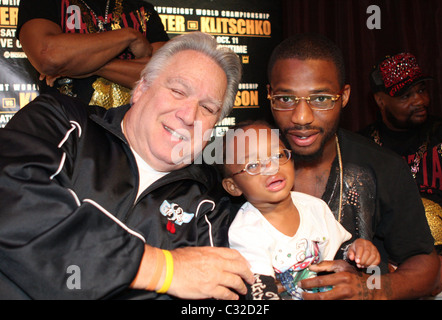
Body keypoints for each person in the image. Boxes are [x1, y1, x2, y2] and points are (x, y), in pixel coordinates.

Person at [0, 32, 254, 300]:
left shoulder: (210, 201)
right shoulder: (65, 122)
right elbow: (14, 202)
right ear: (142, 89)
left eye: (207, 108)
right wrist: (164, 269)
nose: (189, 115)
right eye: (178, 91)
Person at [266, 33, 439, 299]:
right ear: (270, 95)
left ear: (344, 96)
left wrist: (369, 290)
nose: (302, 117)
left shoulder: (382, 167)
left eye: (321, 98)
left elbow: (427, 267)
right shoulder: (244, 164)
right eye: (286, 98)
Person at [218, 120, 380, 300]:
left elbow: (339, 252)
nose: (271, 168)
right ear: (233, 187)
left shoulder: (315, 207)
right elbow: (260, 293)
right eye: (253, 165)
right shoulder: (245, 232)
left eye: (278, 155)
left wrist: (357, 250)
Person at [360, 52, 442, 298]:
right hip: (383, 274)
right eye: (405, 95)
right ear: (380, 100)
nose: (420, 100)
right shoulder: (362, 147)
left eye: (421, 90)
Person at [17, 0, 169, 109]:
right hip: (64, 131)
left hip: (127, 137)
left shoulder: (142, 10)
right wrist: (129, 36)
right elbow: (48, 56)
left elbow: (161, 77)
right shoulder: (43, 2)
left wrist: (81, 65)